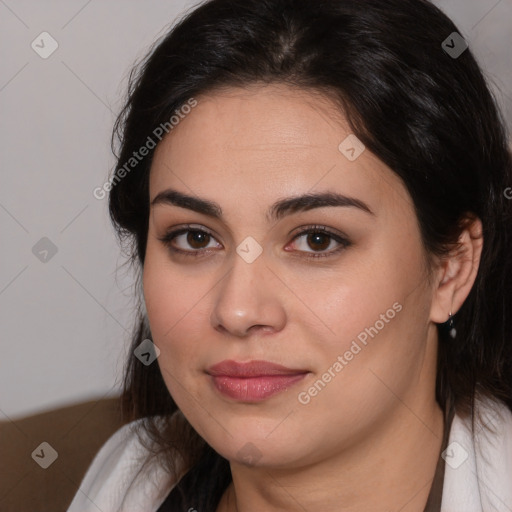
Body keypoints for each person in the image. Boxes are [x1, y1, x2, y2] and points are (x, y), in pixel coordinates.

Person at [67, 0, 512, 511]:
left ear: (451, 268)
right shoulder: (121, 481)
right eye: (194, 237)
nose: (237, 310)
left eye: (317, 240)